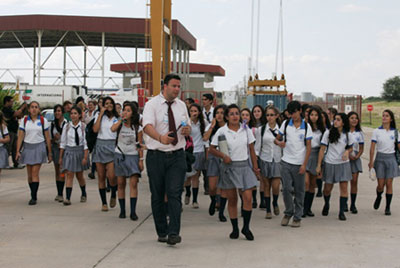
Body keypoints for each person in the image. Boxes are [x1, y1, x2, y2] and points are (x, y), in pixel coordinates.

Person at [143, 73, 191, 245]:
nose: (177, 89)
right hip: (156, 155)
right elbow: (147, 126)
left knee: (174, 193)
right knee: (157, 195)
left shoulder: (181, 105)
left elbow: (187, 124)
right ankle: (161, 230)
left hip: (177, 155)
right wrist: (160, 138)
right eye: (174, 86)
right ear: (165, 86)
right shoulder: (152, 104)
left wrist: (187, 130)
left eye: (179, 86)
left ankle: (173, 233)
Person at [209, 104, 260, 241]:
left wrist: (255, 168)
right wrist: (223, 156)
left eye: (237, 113)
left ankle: (246, 227)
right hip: (229, 167)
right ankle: (235, 228)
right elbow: (212, 148)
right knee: (232, 200)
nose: (235, 116)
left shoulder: (246, 130)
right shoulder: (222, 131)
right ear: (226, 117)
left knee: (248, 198)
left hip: (244, 166)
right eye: (231, 114)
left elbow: (252, 150)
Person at [275, 101, 312, 228]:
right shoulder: (285, 124)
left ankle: (297, 216)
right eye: (291, 113)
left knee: (299, 191)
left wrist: (304, 164)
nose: (293, 115)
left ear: (300, 111)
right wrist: (279, 143)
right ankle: (288, 212)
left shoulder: (306, 127)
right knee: (286, 189)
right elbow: (277, 139)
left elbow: (309, 147)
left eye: (295, 112)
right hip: (286, 162)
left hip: (299, 163)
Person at [316, 113, 353, 221]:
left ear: (343, 122)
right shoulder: (328, 133)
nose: (335, 122)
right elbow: (322, 149)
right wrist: (319, 165)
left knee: (344, 188)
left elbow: (351, 148)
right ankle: (326, 203)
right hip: (330, 163)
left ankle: (341, 212)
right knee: (327, 188)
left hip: (343, 164)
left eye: (338, 120)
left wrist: (347, 151)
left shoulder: (347, 134)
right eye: (334, 119)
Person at [16, 101, 52, 205]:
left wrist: (49, 152)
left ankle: (34, 197)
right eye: (32, 107)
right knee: (29, 174)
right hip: (28, 147)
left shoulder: (43, 120)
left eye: (36, 107)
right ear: (29, 109)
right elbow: (21, 136)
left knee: (35, 173)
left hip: (39, 146)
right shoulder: (24, 120)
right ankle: (32, 192)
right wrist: (18, 151)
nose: (34, 109)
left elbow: (47, 137)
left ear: (39, 109)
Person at [111, 102, 143, 220]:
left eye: (128, 110)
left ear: (133, 113)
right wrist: (121, 120)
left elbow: (139, 144)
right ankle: (122, 210)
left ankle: (133, 211)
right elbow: (112, 129)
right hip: (120, 154)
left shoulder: (137, 127)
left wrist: (141, 159)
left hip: (133, 155)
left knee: (133, 183)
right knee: (121, 183)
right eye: (124, 110)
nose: (125, 112)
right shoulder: (119, 124)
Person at [368, 109, 399, 216]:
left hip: (391, 159)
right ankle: (379, 195)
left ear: (391, 119)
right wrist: (371, 161)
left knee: (389, 183)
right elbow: (372, 148)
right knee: (381, 184)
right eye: (383, 115)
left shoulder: (395, 132)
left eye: (387, 116)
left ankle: (387, 207)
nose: (384, 117)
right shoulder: (377, 131)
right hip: (380, 158)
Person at [255, 105, 282, 219]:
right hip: (265, 159)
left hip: (277, 159)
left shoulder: (282, 129)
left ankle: (275, 202)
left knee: (275, 186)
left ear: (276, 116)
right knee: (266, 185)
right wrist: (256, 163)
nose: (269, 117)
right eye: (267, 115)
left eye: (272, 115)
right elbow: (257, 147)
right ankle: (268, 209)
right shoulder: (261, 130)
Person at [92, 96, 119, 211]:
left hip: (112, 146)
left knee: (112, 176)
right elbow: (95, 129)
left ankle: (113, 193)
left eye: (110, 103)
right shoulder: (98, 116)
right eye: (106, 103)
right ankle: (103, 202)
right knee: (101, 176)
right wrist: (100, 114)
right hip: (100, 145)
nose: (108, 105)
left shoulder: (117, 118)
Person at [59, 106, 89, 205]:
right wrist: (61, 157)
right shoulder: (66, 126)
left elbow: (85, 143)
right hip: (69, 151)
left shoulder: (83, 127)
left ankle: (84, 193)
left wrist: (85, 157)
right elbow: (63, 142)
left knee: (79, 175)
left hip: (79, 151)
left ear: (79, 115)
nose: (73, 115)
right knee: (69, 174)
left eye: (75, 113)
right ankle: (67, 197)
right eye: (71, 113)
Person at [202, 104, 227, 222]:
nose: (219, 115)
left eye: (222, 113)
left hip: (226, 157)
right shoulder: (211, 127)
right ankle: (213, 199)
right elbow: (205, 138)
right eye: (217, 113)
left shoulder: (229, 127)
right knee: (212, 186)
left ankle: (221, 211)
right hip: (213, 156)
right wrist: (212, 127)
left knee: (224, 186)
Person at [303, 106, 325, 217]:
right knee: (306, 182)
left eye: (316, 115)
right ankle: (302, 207)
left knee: (312, 184)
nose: (314, 117)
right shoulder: (305, 127)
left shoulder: (322, 130)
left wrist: (320, 164)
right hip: (306, 154)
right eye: (312, 115)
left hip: (317, 155)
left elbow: (323, 147)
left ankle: (308, 208)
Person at [185, 103, 207, 208]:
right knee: (188, 177)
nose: (194, 113)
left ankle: (194, 199)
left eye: (195, 111)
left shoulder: (203, 123)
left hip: (199, 150)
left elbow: (206, 136)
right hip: (189, 151)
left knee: (196, 176)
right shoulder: (186, 122)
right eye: (192, 111)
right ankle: (188, 192)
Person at [2, 96, 27, 169]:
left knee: (15, 148)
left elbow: (18, 115)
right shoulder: (5, 110)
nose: (12, 103)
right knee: (8, 148)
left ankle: (16, 162)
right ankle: (5, 164)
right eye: (11, 102)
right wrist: (22, 107)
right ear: (7, 102)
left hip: (14, 131)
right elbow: (15, 114)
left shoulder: (11, 109)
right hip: (9, 131)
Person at [348, 111, 364, 214]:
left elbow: (362, 148)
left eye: (356, 118)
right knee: (344, 181)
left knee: (354, 181)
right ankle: (344, 202)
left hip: (355, 158)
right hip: (345, 158)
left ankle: (353, 204)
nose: (354, 120)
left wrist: (357, 156)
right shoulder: (345, 132)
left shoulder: (359, 133)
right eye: (352, 118)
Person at [251, 104, 267, 209]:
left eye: (258, 111)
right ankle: (253, 199)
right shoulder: (248, 125)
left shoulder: (265, 126)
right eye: (255, 111)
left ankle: (262, 200)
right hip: (250, 153)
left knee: (262, 178)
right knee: (252, 178)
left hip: (261, 153)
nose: (256, 113)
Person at [51, 104, 67, 202]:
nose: (57, 113)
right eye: (56, 111)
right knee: (57, 170)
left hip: (64, 149)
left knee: (62, 171)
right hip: (55, 148)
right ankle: (59, 192)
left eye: (59, 111)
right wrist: (54, 139)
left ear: (62, 112)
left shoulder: (66, 124)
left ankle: (61, 193)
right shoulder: (52, 124)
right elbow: (49, 139)